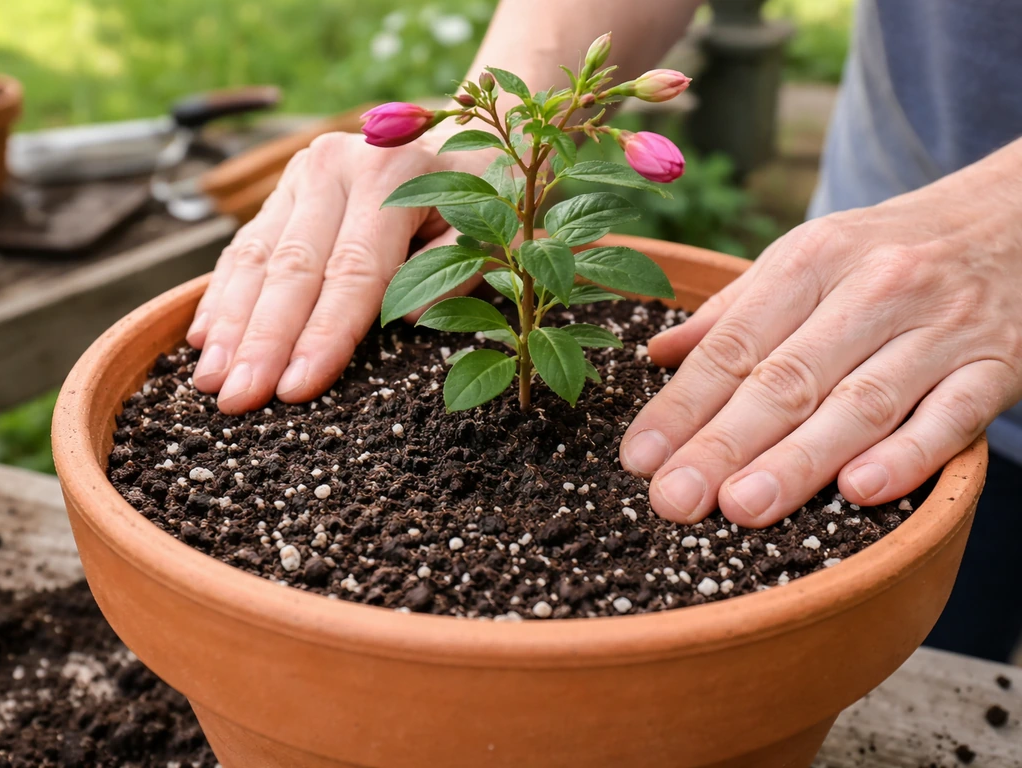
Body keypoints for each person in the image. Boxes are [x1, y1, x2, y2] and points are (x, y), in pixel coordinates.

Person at [186, 0, 1022, 660]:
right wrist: (486, 139)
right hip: (882, 327)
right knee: (923, 648)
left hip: (950, 301)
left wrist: (999, 232)